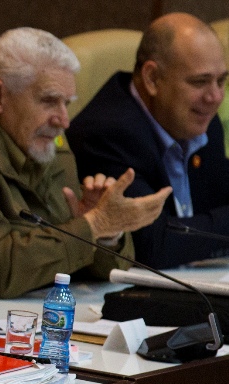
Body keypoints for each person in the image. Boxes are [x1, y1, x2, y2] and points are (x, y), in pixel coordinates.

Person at [0, 27, 173, 299]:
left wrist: (104, 234)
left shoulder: (45, 139)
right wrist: (92, 225)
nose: (64, 121)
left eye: (67, 103)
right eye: (48, 101)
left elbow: (101, 268)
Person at [67, 13, 229, 269]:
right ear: (152, 79)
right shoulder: (108, 133)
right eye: (200, 82)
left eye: (222, 81)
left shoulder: (200, 119)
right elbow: (153, 244)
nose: (215, 97)